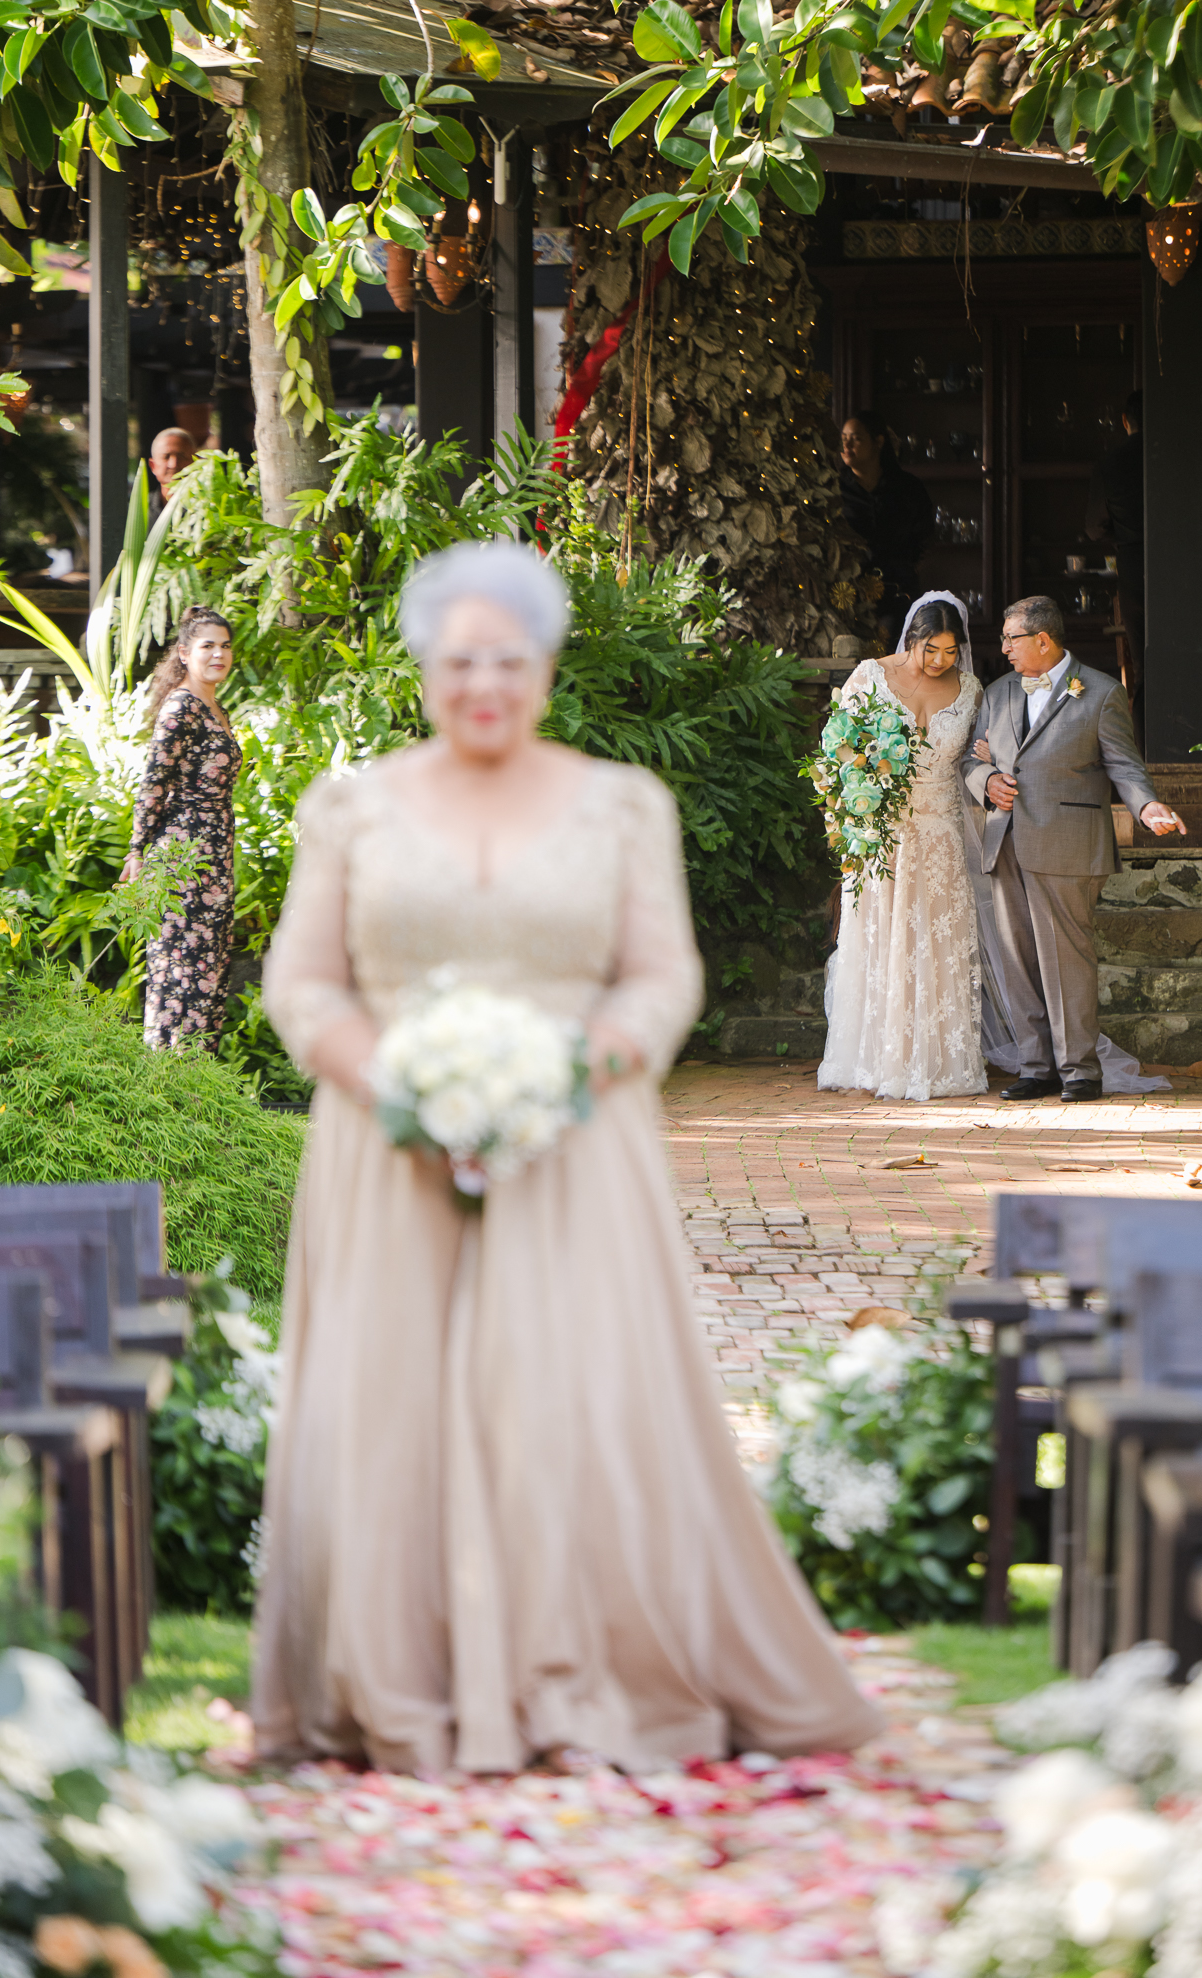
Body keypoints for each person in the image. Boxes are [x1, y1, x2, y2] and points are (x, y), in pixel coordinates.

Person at [253, 540, 881, 1776]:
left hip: (575, 1150)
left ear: (546, 667)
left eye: (510, 658)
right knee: (391, 1406)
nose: (484, 681)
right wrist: (399, 1084)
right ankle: (398, 1681)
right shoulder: (351, 807)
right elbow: (302, 980)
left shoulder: (621, 805)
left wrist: (568, 1073)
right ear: (425, 666)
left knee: (571, 1396)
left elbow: (661, 978)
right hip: (387, 1156)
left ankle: (577, 1671)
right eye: (460, 658)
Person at [961, 596, 1185, 1104]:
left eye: (1010, 639)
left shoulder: (1102, 693)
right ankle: (1035, 1066)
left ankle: (1079, 1069)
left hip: (1068, 844)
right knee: (1018, 960)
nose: (1003, 648)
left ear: (1043, 640)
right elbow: (970, 761)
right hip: (1005, 842)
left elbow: (1125, 768)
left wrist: (1148, 808)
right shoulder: (996, 693)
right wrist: (987, 780)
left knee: (1067, 958)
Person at [817, 593, 985, 1101]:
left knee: (936, 942)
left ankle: (935, 1061)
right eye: (930, 650)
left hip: (941, 836)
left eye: (950, 652)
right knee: (880, 937)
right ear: (911, 638)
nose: (939, 662)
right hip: (882, 829)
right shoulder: (871, 676)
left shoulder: (972, 689)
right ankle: (874, 1059)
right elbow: (836, 744)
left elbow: (979, 757)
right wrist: (856, 799)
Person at [120, 607, 242, 1051]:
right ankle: (167, 1091)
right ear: (185, 653)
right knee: (181, 978)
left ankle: (199, 1097)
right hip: (183, 858)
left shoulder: (212, 704)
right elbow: (153, 785)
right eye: (208, 645)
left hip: (213, 856)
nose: (219, 654)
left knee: (207, 975)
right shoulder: (181, 708)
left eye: (225, 645)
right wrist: (137, 852)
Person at [838, 411, 934, 634]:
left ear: (878, 442)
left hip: (898, 595)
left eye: (856, 438)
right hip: (847, 597)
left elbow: (925, 540)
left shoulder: (907, 488)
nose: (847, 444)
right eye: (843, 438)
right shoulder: (835, 489)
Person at [1085, 390, 1145, 742]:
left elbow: (1094, 527)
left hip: (1135, 564)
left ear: (1125, 422)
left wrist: (1121, 529)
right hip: (1187, 564)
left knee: (1144, 664)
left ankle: (1146, 749)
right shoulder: (1178, 458)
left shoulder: (1111, 463)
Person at [148, 426, 197, 520]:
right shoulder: (138, 510)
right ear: (153, 466)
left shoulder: (206, 510)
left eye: (181, 457)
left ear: (195, 462)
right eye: (166, 457)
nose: (173, 464)